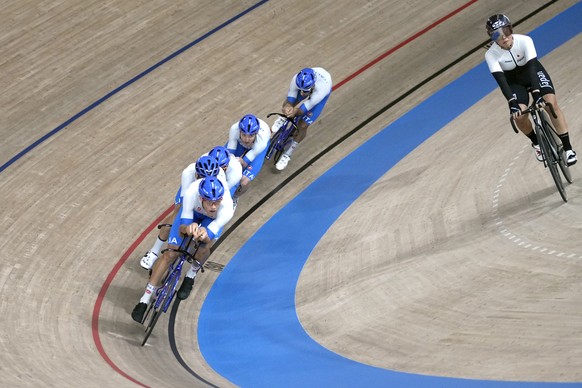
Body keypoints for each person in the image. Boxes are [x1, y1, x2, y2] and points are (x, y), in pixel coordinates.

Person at [132, 176, 234, 323]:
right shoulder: (192, 192)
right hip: (193, 212)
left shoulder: (226, 208)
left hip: (211, 221)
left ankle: (191, 275)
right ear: (201, 198)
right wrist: (188, 228)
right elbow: (181, 227)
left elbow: (207, 238)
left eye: (217, 202)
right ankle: (145, 299)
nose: (214, 206)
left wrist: (203, 234)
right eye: (210, 202)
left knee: (204, 247)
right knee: (170, 254)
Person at [484, 14, 576, 165]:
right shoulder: (491, 54)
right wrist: (512, 102)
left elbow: (532, 68)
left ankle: (568, 149)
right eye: (497, 34)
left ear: (511, 29)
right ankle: (536, 143)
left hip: (532, 73)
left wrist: (537, 93)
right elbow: (501, 81)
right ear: (492, 38)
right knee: (519, 116)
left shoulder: (525, 40)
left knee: (549, 104)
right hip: (513, 83)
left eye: (506, 31)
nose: (504, 37)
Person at [139, 154, 222, 270]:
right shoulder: (188, 173)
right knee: (178, 212)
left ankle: (191, 273)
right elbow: (184, 203)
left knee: (208, 236)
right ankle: (154, 251)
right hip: (191, 194)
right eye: (201, 177)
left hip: (207, 199)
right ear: (197, 174)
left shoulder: (221, 178)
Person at [271, 67, 332, 170]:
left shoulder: (322, 89)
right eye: (301, 90)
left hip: (319, 95)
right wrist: (288, 108)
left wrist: (294, 111)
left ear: (312, 85)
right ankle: (282, 118)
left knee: (303, 125)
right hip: (306, 86)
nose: (303, 93)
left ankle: (288, 153)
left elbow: (303, 109)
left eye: (305, 91)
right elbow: (290, 99)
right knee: (288, 104)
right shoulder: (296, 79)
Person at [226, 114, 271, 204]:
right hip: (239, 143)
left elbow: (244, 163)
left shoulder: (261, 142)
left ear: (256, 133)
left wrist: (240, 163)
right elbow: (230, 154)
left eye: (250, 136)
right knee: (224, 161)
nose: (246, 139)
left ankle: (235, 198)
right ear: (239, 132)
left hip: (256, 149)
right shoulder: (234, 129)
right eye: (244, 135)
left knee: (244, 180)